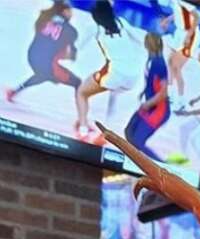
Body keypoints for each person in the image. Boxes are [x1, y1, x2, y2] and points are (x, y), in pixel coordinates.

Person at [74, 0, 145, 143]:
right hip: (134, 75)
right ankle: (105, 136)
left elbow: (78, 47)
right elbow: (141, 41)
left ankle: (83, 130)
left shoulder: (95, 27)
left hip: (115, 72)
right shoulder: (121, 22)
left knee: (82, 92)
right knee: (114, 98)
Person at [5, 2, 81, 104]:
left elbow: (44, 38)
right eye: (70, 11)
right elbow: (68, 54)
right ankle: (81, 114)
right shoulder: (71, 31)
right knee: (77, 82)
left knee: (42, 76)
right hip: (48, 63)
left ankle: (14, 91)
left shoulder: (45, 18)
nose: (72, 14)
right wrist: (73, 55)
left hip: (32, 56)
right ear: (64, 12)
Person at [170, 47, 200, 169]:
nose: (198, 55)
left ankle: (199, 166)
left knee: (193, 138)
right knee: (186, 132)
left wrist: (190, 113)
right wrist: (195, 100)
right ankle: (185, 162)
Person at [123, 33, 168, 161]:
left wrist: (149, 103)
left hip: (158, 109)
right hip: (149, 105)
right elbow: (152, 83)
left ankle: (162, 167)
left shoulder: (159, 63)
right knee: (129, 132)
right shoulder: (151, 59)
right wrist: (144, 92)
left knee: (137, 140)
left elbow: (163, 93)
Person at [161, 0, 198, 98]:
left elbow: (197, 17)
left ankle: (181, 98)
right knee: (170, 62)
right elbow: (179, 13)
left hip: (191, 34)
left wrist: (189, 36)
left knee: (176, 66)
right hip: (179, 33)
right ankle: (170, 93)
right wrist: (167, 20)